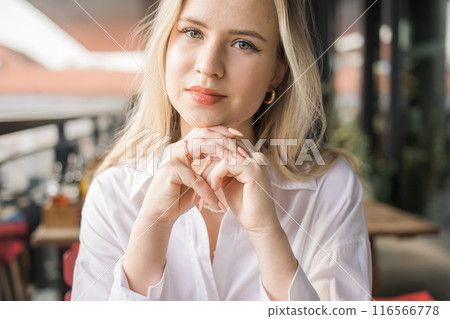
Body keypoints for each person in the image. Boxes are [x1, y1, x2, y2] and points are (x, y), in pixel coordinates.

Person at [71, 0, 372, 301]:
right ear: (164, 45)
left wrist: (268, 234)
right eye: (192, 32)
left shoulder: (330, 189)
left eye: (243, 43)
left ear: (276, 72)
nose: (208, 65)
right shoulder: (112, 194)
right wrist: (152, 231)